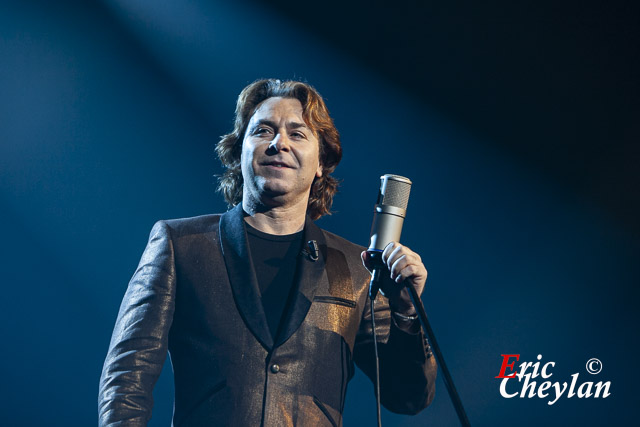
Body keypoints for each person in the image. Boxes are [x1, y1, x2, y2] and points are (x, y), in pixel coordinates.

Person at [99, 79, 436, 426]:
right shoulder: (180, 244)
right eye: (263, 130)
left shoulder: (355, 266)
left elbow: (408, 396)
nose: (279, 143)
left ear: (321, 161)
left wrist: (407, 312)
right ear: (239, 150)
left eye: (298, 133)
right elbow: (126, 377)